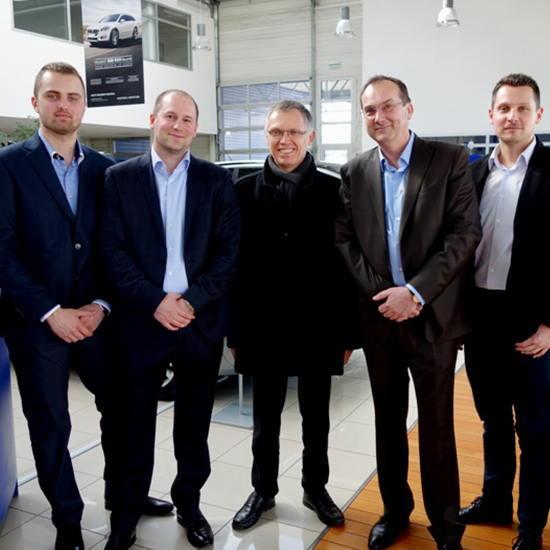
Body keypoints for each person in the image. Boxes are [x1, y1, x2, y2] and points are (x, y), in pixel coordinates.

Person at [0, 62, 172, 550]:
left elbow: (117, 247)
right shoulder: (8, 165)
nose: (64, 105)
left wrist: (100, 304)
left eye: (73, 97)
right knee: (50, 424)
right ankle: (67, 521)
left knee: (122, 411)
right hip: (36, 324)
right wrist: (51, 312)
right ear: (35, 103)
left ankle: (124, 497)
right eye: (53, 96)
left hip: (99, 321)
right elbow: (3, 251)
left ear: (84, 105)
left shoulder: (104, 169)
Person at [335, 75, 481, 550]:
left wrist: (414, 293)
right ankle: (395, 511)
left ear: (409, 109)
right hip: (381, 319)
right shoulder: (355, 170)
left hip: (432, 319)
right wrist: (386, 295)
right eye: (369, 110)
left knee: (437, 430)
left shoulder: (449, 159)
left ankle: (447, 529)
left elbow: (464, 233)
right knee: (387, 426)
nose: (379, 117)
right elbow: (345, 240)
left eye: (388, 106)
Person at [101, 89, 240, 549]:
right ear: (153, 120)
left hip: (198, 324)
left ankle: (190, 506)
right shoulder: (119, 178)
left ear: (195, 128)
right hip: (141, 323)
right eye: (170, 116)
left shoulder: (216, 180)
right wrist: (156, 302)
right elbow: (113, 252)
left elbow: (227, 253)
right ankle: (126, 515)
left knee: (194, 425)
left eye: (186, 119)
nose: (177, 125)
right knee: (133, 425)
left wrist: (189, 302)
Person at [228, 100, 358, 531]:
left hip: (318, 327)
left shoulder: (335, 191)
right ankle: (262, 490)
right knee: (264, 419)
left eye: (293, 132)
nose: (284, 140)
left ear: (310, 137)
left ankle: (315, 488)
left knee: (316, 418)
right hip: (262, 327)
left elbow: (347, 267)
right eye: (275, 132)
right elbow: (234, 268)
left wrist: (348, 335)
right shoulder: (243, 191)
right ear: (266, 136)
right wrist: (235, 332)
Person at [458, 74, 550, 550]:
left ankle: (531, 526)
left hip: (531, 323)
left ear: (538, 114)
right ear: (491, 114)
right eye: (504, 108)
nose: (512, 116)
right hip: (480, 320)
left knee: (535, 430)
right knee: (493, 420)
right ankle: (495, 502)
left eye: (522, 108)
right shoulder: (474, 173)